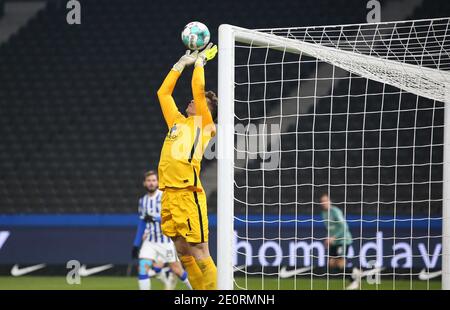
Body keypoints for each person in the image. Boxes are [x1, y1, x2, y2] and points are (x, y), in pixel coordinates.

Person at [156, 43, 218, 290]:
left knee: (200, 251)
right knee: (183, 252)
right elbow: (163, 94)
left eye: (197, 101)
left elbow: (198, 88)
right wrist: (179, 65)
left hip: (188, 193)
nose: (191, 100)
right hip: (168, 194)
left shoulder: (205, 124)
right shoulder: (177, 122)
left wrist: (200, 63)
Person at [132, 170, 192, 290]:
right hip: (150, 241)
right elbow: (142, 222)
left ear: (158, 182)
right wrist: (136, 244)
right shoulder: (142, 201)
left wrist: (154, 218)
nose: (151, 183)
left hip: (166, 240)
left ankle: (194, 288)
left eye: (154, 180)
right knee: (143, 267)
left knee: (177, 270)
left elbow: (172, 215)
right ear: (144, 183)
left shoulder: (164, 196)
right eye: (148, 181)